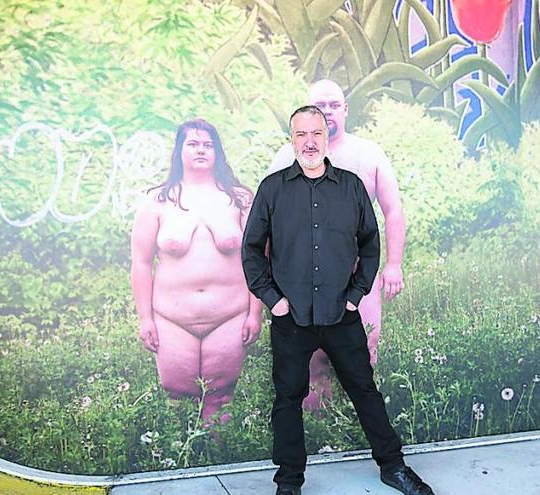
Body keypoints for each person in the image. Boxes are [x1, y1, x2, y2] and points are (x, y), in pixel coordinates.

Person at [243, 106, 433, 495]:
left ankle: (393, 467)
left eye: (316, 133)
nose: (309, 142)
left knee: (364, 390)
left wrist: (356, 295)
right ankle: (289, 482)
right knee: (288, 399)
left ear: (326, 138)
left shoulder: (350, 187)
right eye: (301, 134)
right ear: (292, 139)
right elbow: (250, 250)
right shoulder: (272, 188)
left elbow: (370, 244)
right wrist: (273, 301)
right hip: (290, 317)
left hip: (340, 314)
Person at [268, 79, 406, 410]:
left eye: (334, 105)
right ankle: (320, 429)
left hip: (358, 277)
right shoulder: (287, 155)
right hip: (301, 279)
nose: (327, 112)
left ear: (345, 110)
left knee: (365, 349)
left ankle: (352, 427)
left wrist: (393, 264)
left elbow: (393, 210)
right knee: (310, 359)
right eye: (320, 106)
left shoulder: (368, 153)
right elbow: (266, 220)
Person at [131, 118, 261, 423]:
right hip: (172, 319)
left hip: (229, 316)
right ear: (179, 151)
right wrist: (145, 318)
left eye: (207, 145)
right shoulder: (156, 202)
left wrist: (255, 314)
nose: (201, 150)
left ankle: (219, 460)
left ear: (217, 152)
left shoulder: (240, 199)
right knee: (177, 395)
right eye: (192, 144)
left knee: (221, 396)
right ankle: (183, 465)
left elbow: (258, 260)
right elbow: (140, 263)